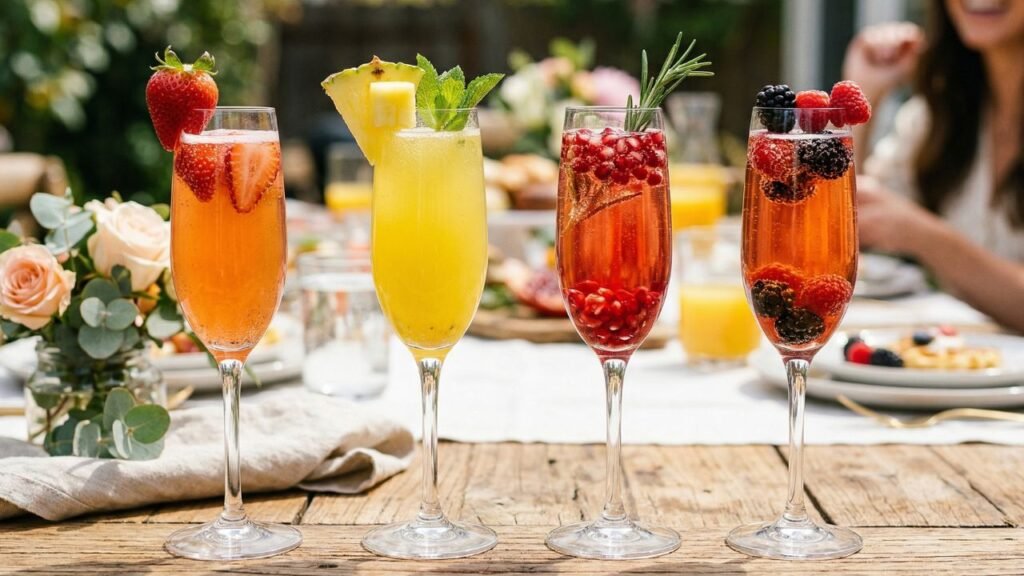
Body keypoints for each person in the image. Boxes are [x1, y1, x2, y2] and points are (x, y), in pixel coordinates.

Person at [844, 0, 1024, 332]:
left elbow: (899, 222)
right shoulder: (938, 116)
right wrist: (863, 92)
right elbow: (848, 217)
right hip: (960, 367)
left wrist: (923, 236)